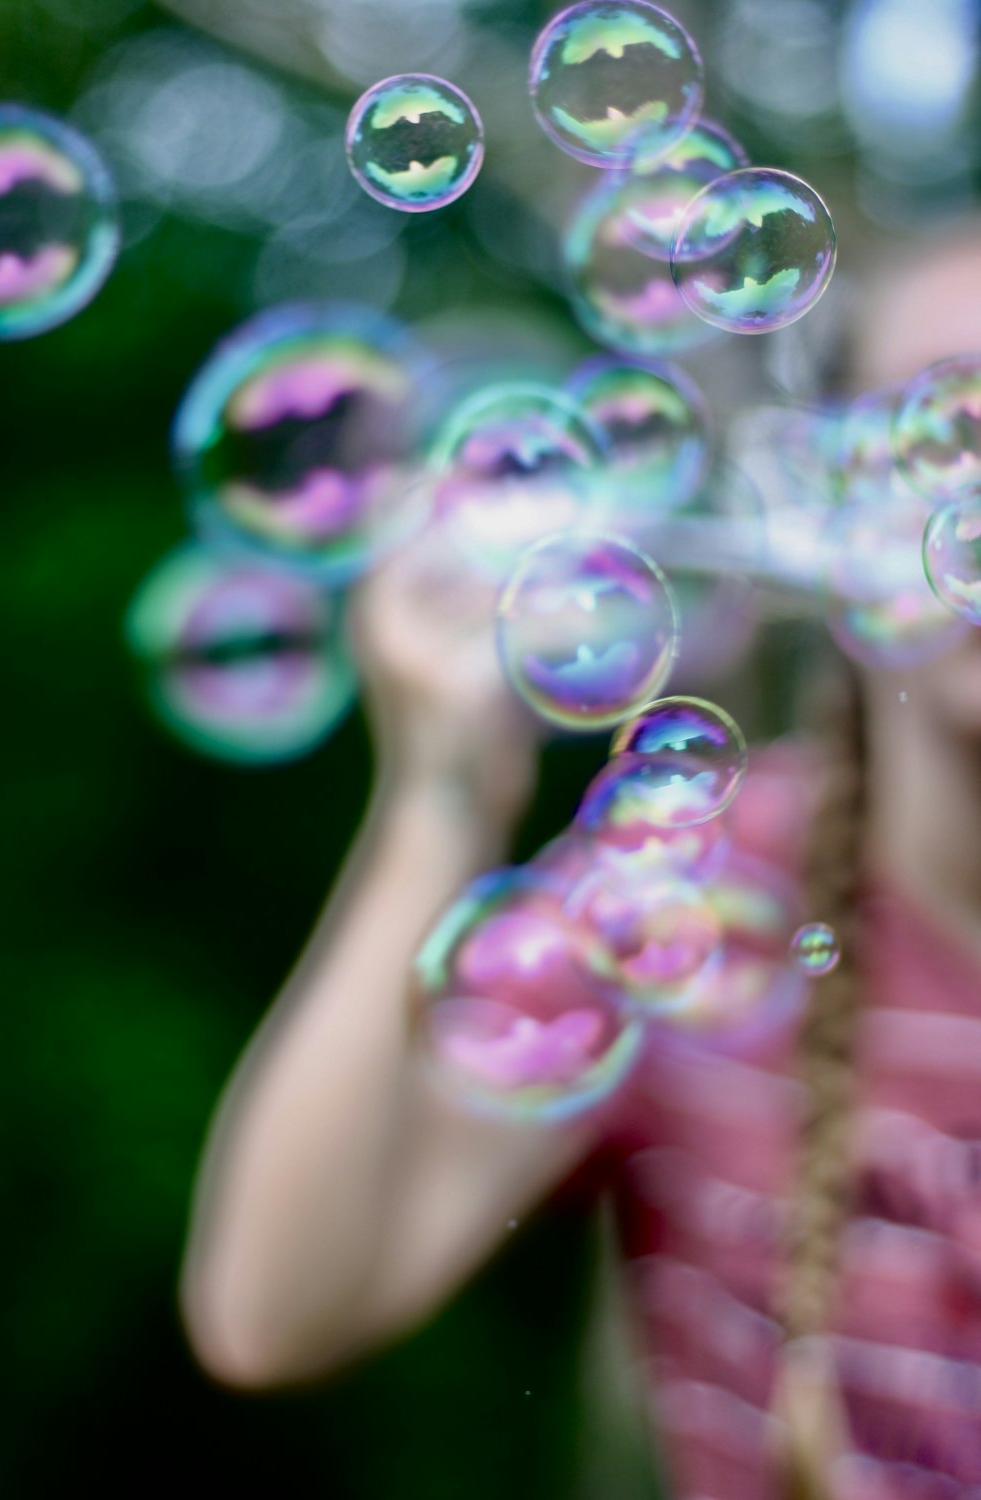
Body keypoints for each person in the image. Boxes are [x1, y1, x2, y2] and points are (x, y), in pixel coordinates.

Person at [179, 231, 981, 1499]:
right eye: (941, 436)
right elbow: (275, 1310)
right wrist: (441, 796)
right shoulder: (690, 893)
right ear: (827, 508)